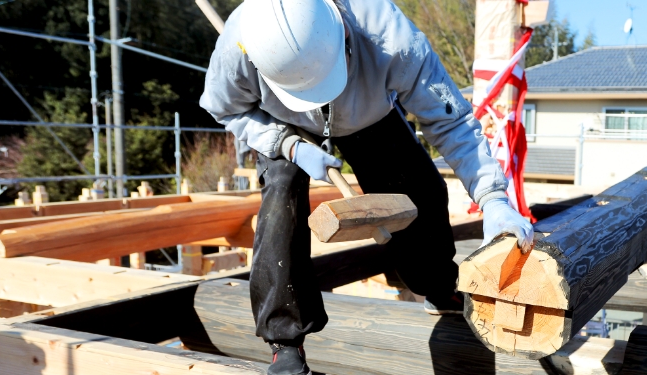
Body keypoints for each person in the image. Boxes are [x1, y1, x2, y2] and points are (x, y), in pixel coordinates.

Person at [199, 0, 534, 373]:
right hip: (284, 124)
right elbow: (226, 108)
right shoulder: (240, 46)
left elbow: (451, 123)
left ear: (342, 34)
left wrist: (493, 199)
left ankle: (438, 285)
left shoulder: (391, 39)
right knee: (282, 197)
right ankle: (285, 341)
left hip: (367, 110)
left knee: (420, 188)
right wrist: (287, 145)